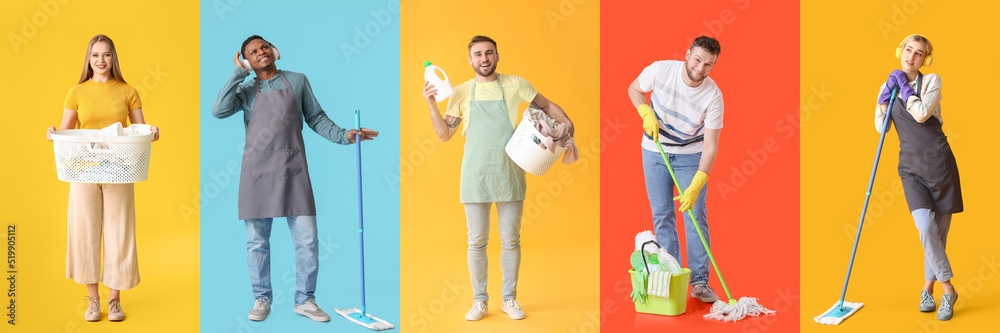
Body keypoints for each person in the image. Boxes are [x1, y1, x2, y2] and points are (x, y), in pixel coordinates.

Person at [211, 35, 378, 322]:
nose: (260, 52)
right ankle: (261, 299)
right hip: (257, 172)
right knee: (256, 242)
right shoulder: (246, 89)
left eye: (264, 46)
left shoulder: (297, 80)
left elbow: (316, 118)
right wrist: (238, 74)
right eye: (252, 52)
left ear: (274, 50)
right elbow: (218, 110)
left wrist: (344, 135)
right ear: (247, 60)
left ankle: (305, 300)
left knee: (308, 240)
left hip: (293, 168)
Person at [422, 35, 573, 321]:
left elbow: (547, 105)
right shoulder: (461, 93)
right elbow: (444, 134)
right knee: (476, 241)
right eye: (477, 54)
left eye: (489, 53)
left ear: (497, 56)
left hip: (510, 171)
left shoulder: (516, 84)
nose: (484, 59)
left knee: (511, 240)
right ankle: (479, 301)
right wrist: (431, 103)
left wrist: (568, 124)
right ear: (470, 60)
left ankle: (509, 299)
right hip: (475, 174)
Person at [45, 34, 160, 322]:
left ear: (113, 58)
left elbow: (139, 130)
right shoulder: (76, 92)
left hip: (120, 169)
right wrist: (53, 134)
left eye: (106, 55)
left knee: (119, 233)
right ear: (88, 59)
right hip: (83, 169)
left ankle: (115, 300)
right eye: (95, 55)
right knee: (85, 232)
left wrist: (153, 134)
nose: (100, 60)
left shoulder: (128, 91)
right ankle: (93, 301)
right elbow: (66, 131)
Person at [627, 36, 724, 304]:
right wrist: (646, 111)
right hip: (654, 151)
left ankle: (700, 282)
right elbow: (634, 89)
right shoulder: (661, 70)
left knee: (695, 216)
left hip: (690, 156)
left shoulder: (714, 97)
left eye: (708, 64)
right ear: (688, 54)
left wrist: (698, 181)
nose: (700, 68)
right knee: (662, 216)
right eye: (697, 60)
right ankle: (671, 276)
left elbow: (711, 144)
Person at [874, 34, 962, 321]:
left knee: (937, 234)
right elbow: (881, 128)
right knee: (926, 228)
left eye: (919, 53)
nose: (911, 57)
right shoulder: (888, 85)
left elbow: (923, 114)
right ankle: (948, 289)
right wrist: (884, 98)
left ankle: (927, 287)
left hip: (939, 163)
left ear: (926, 59)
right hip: (911, 168)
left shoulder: (932, 81)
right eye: (908, 50)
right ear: (900, 51)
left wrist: (903, 88)